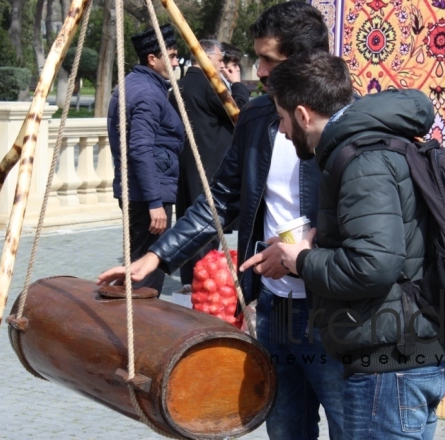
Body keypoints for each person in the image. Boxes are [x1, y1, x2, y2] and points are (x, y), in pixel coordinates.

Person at [99, 3, 344, 438]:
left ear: (305, 62)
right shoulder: (255, 118)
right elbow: (221, 200)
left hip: (334, 314)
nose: (258, 70)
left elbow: (364, 214)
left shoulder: (349, 122)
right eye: (258, 58)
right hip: (274, 310)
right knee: (286, 430)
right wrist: (156, 258)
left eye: (270, 59)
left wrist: (302, 252)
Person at [266, 51, 445, 439]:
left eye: (282, 119)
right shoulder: (375, 143)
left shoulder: (363, 158)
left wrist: (301, 260)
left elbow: (373, 265)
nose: (281, 131)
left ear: (302, 114)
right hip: (407, 353)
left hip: (390, 365)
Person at [107, 24, 184, 294]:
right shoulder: (149, 94)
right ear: (153, 59)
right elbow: (140, 149)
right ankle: (141, 331)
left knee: (139, 264)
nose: (176, 63)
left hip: (141, 189)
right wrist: (154, 202)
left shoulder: (134, 84)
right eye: (172, 56)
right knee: (146, 271)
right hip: (148, 194)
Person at [170, 39, 249, 287]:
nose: (220, 65)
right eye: (217, 60)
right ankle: (206, 280)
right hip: (210, 165)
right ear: (205, 57)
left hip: (186, 164)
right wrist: (237, 84)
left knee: (188, 220)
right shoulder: (208, 86)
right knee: (207, 224)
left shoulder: (178, 86)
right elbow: (240, 113)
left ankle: (189, 279)